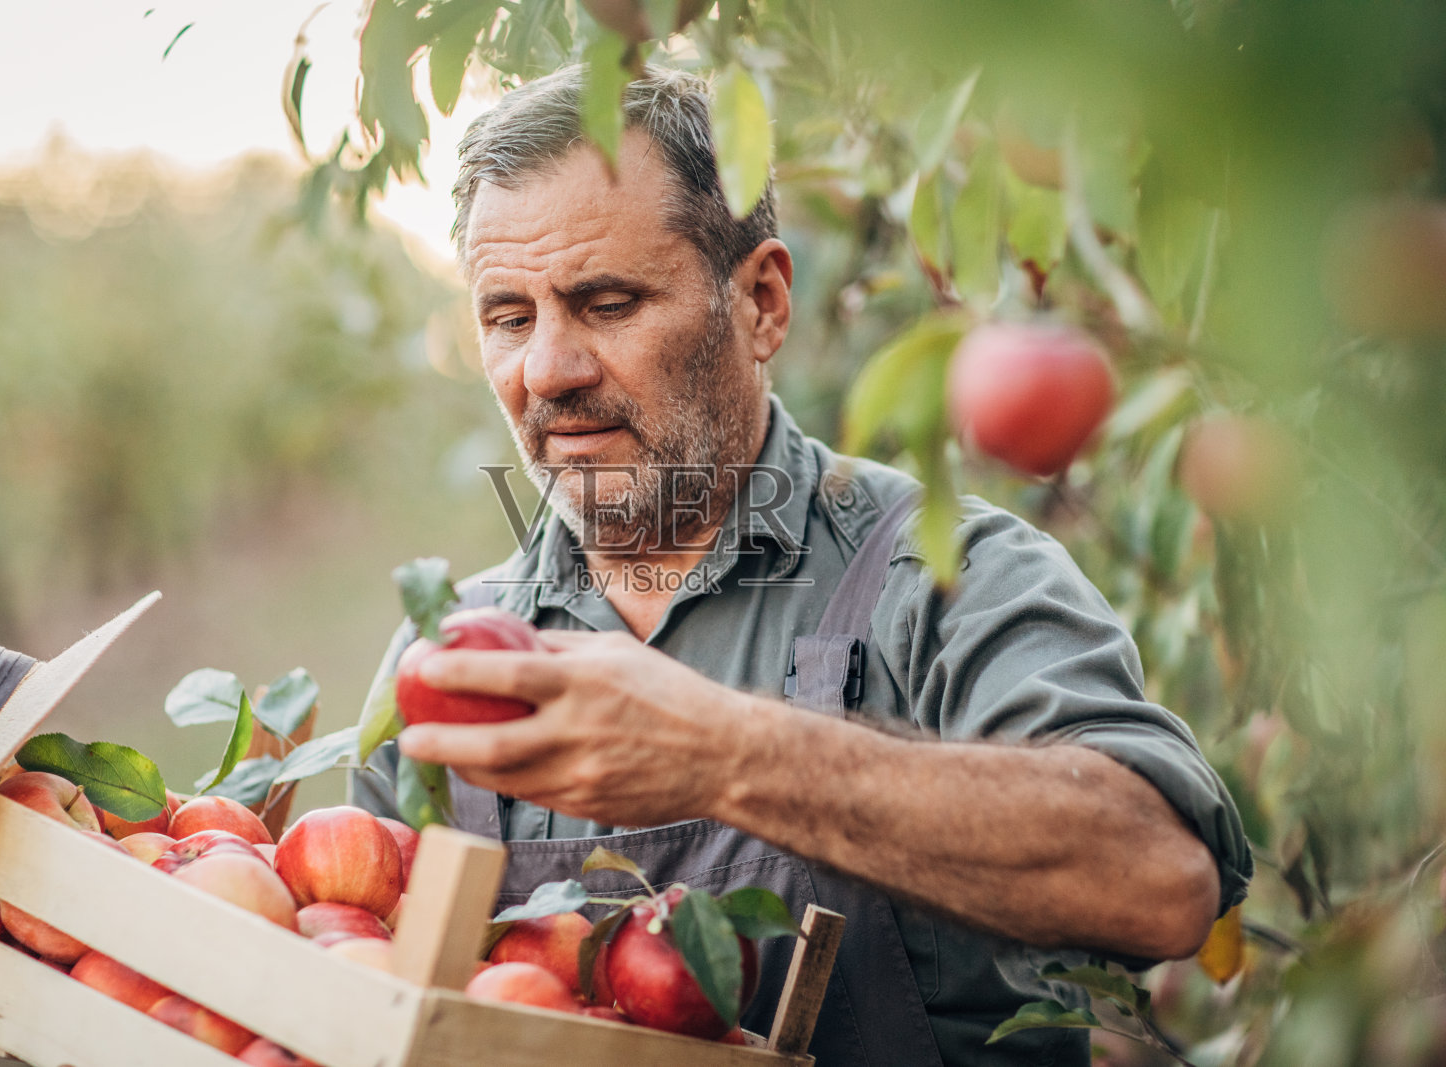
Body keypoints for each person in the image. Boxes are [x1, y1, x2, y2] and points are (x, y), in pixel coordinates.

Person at [352, 65, 1250, 1066]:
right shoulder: (452, 657)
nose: (548, 370)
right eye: (508, 317)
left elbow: (1160, 880)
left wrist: (728, 754)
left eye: (605, 302)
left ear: (762, 303)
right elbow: (360, 990)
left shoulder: (944, 578)